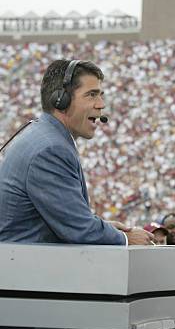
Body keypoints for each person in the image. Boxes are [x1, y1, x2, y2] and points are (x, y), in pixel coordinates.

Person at [0, 59, 151, 245]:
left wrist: (102, 227)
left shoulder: (44, 135)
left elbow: (68, 220)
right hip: (25, 269)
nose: (101, 104)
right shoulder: (51, 149)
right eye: (92, 95)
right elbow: (79, 230)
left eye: (100, 95)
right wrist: (126, 238)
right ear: (61, 100)